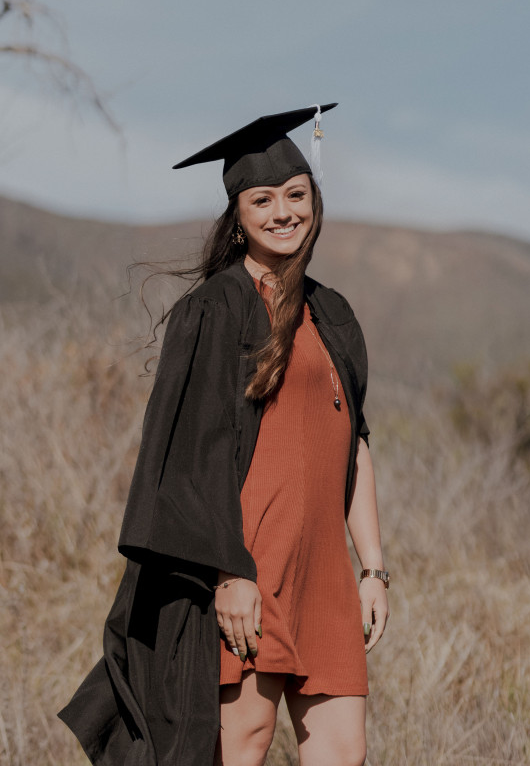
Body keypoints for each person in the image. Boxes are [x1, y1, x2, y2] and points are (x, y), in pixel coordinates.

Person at [58, 104, 389, 766]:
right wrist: (229, 574)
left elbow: (353, 445)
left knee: (343, 751)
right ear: (237, 216)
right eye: (261, 199)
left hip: (323, 570)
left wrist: (373, 569)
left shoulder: (334, 314)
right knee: (244, 744)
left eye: (295, 195)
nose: (282, 212)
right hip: (249, 564)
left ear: (313, 200)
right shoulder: (213, 311)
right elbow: (184, 459)